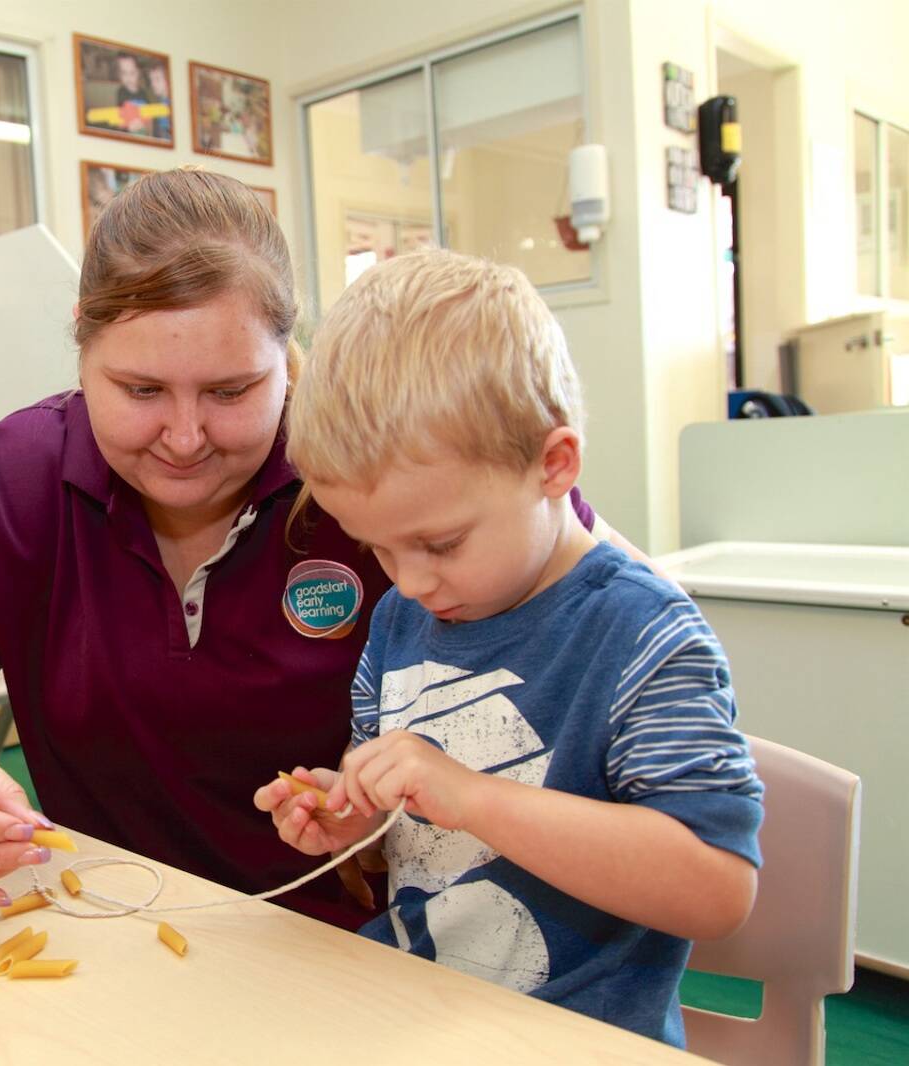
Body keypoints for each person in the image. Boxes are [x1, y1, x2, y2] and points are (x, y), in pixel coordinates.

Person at [0, 169, 626, 929]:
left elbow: (628, 623)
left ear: (288, 362)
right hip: (107, 934)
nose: (186, 437)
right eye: (141, 390)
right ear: (81, 350)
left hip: (369, 961)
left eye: (233, 391)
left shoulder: (380, 465)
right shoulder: (17, 476)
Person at [255, 250, 763, 1045]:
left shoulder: (643, 636)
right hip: (417, 1020)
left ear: (554, 466)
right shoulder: (399, 620)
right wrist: (357, 817)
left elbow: (718, 889)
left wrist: (472, 798)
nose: (410, 580)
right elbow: (408, 840)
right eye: (379, 548)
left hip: (576, 1040)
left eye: (441, 543)